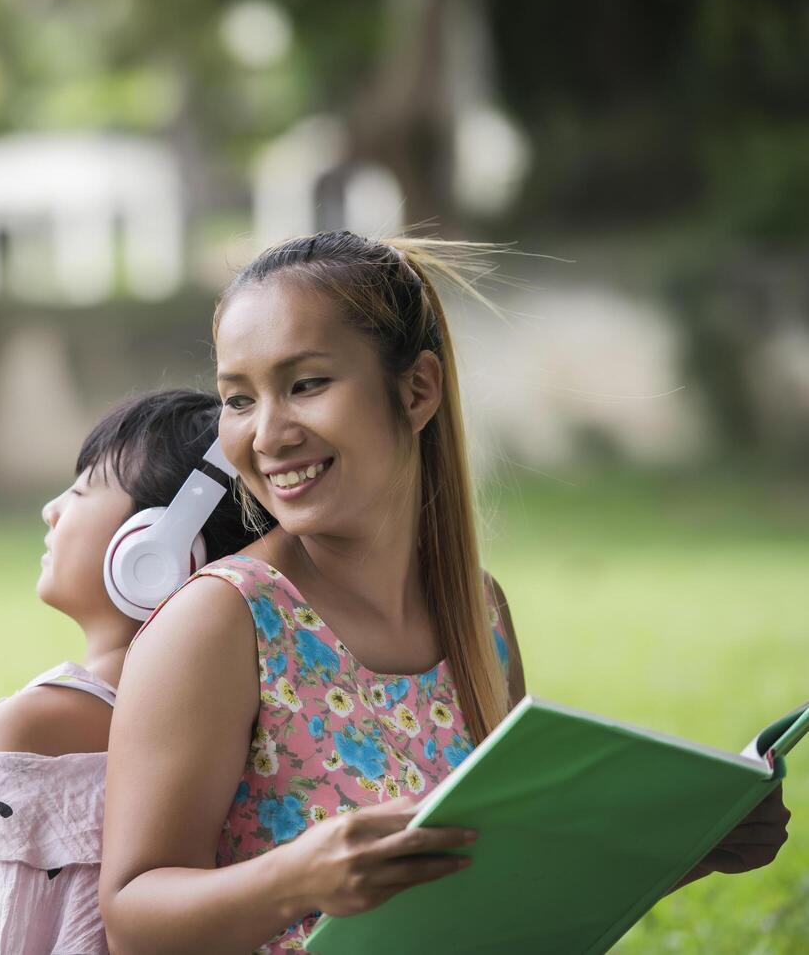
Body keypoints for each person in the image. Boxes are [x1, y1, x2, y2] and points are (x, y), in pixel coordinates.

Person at [98, 231, 792, 954]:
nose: (266, 433)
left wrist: (687, 845)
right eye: (238, 399)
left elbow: (498, 886)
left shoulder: (478, 613)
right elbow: (131, 920)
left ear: (416, 389)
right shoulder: (223, 622)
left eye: (304, 384)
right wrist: (297, 880)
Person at [0, 388, 264, 955]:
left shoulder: (39, 727)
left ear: (156, 549)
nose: (53, 508)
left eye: (84, 488)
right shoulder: (259, 704)